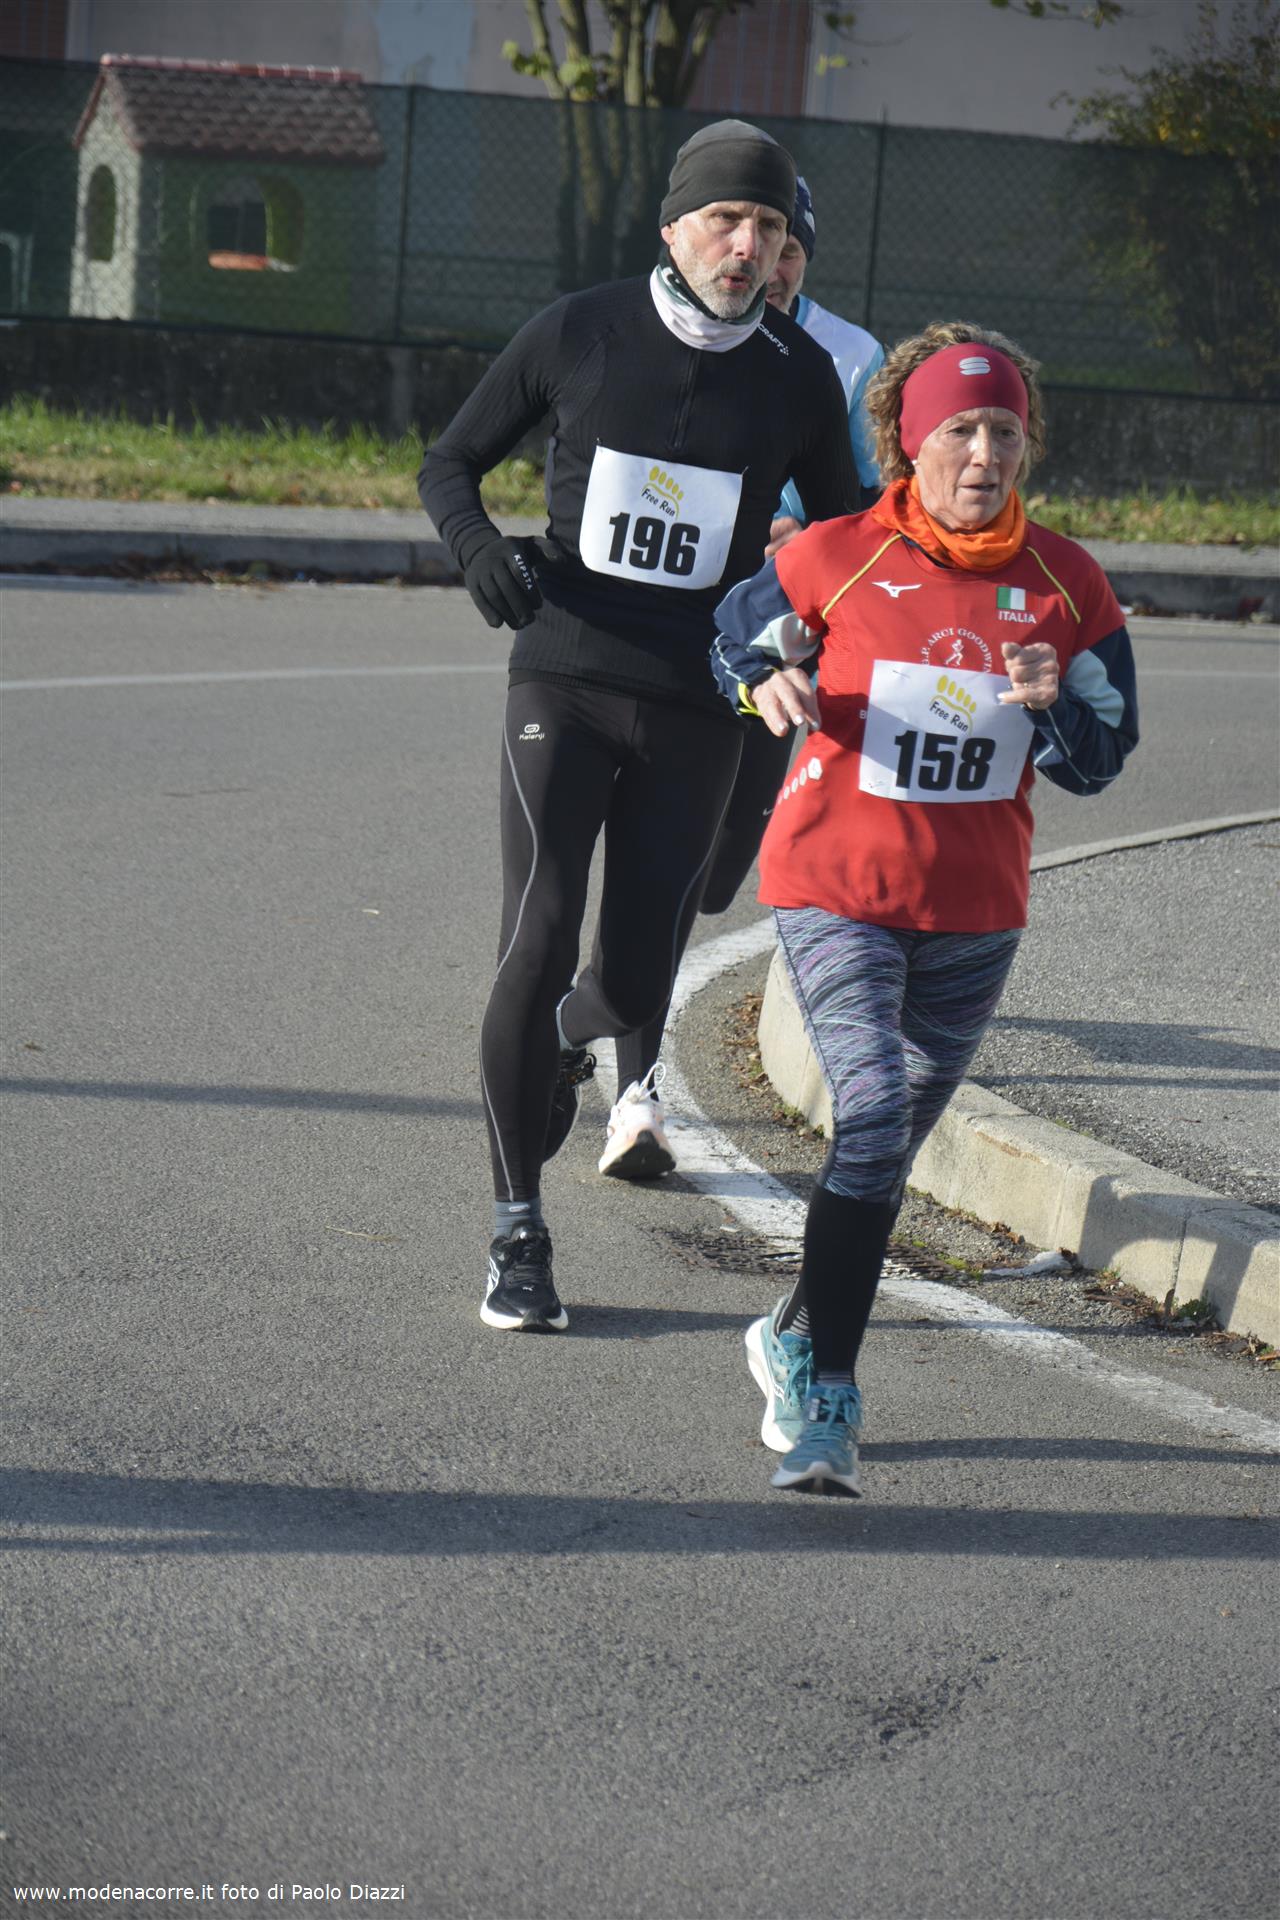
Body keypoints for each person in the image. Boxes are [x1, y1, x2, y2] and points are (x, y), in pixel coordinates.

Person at [419, 120, 857, 1332]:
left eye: (764, 226)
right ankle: (517, 1233)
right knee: (538, 930)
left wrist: (832, 644)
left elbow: (847, 548)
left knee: (629, 981)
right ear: (672, 228)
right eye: (723, 220)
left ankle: (564, 1037)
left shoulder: (795, 376)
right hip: (561, 677)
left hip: (699, 700)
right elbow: (449, 463)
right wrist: (478, 552)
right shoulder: (582, 329)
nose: (744, 245)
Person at [709, 320, 1139, 1494]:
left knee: (882, 1149)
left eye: (1003, 431)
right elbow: (733, 638)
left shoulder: (1065, 584)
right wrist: (765, 679)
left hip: (973, 910)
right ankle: (828, 1398)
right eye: (958, 431)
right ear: (908, 443)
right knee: (872, 1113)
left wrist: (1052, 708)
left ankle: (793, 1330)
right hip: (834, 886)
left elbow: (1102, 759)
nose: (983, 454)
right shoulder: (835, 554)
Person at [599, 175, 886, 1183]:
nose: (769, 259)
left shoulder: (843, 357)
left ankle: (598, 994)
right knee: (660, 870)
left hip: (780, 632)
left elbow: (868, 498)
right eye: (752, 233)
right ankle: (632, 1081)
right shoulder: (680, 333)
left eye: (787, 244)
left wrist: (803, 535)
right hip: (669, 627)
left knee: (721, 872)